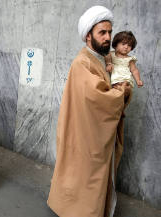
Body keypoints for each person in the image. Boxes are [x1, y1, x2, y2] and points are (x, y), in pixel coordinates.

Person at [47, 6, 131, 217]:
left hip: (90, 132)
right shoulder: (82, 62)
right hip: (83, 135)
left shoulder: (99, 58)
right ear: (88, 36)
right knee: (84, 177)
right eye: (102, 32)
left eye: (110, 32)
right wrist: (122, 92)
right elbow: (98, 97)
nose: (108, 37)